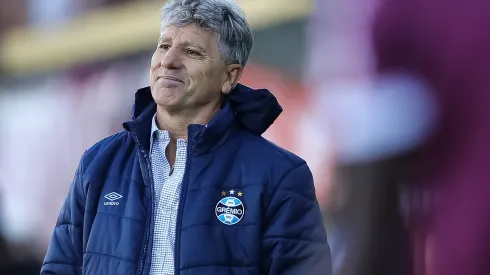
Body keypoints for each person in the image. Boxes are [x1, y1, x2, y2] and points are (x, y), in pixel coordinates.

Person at [40, 0, 331, 274]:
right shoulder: (99, 162)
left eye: (191, 52)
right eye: (164, 45)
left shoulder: (280, 174)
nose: (168, 61)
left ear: (229, 77)